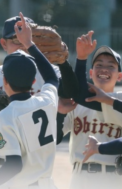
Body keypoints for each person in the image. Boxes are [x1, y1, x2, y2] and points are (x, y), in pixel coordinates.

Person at [0, 13, 77, 182]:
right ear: (3, 43)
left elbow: (71, 93)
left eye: (26, 39)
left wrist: (63, 63)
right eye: (16, 40)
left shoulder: (5, 116)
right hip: (3, 169)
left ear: (4, 81)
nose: (22, 46)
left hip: (15, 176)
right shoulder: (46, 95)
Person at [0, 12, 59, 189]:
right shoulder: (47, 100)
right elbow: (52, 78)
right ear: (33, 82)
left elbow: (14, 165)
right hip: (47, 184)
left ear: (4, 81)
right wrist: (30, 44)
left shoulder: (5, 116)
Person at [58, 31, 122, 189]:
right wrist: (60, 113)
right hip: (80, 176)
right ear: (91, 73)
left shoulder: (119, 99)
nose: (104, 69)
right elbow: (56, 138)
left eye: (111, 66)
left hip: (114, 177)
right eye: (99, 65)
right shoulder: (76, 103)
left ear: (119, 76)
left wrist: (80, 58)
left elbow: (84, 96)